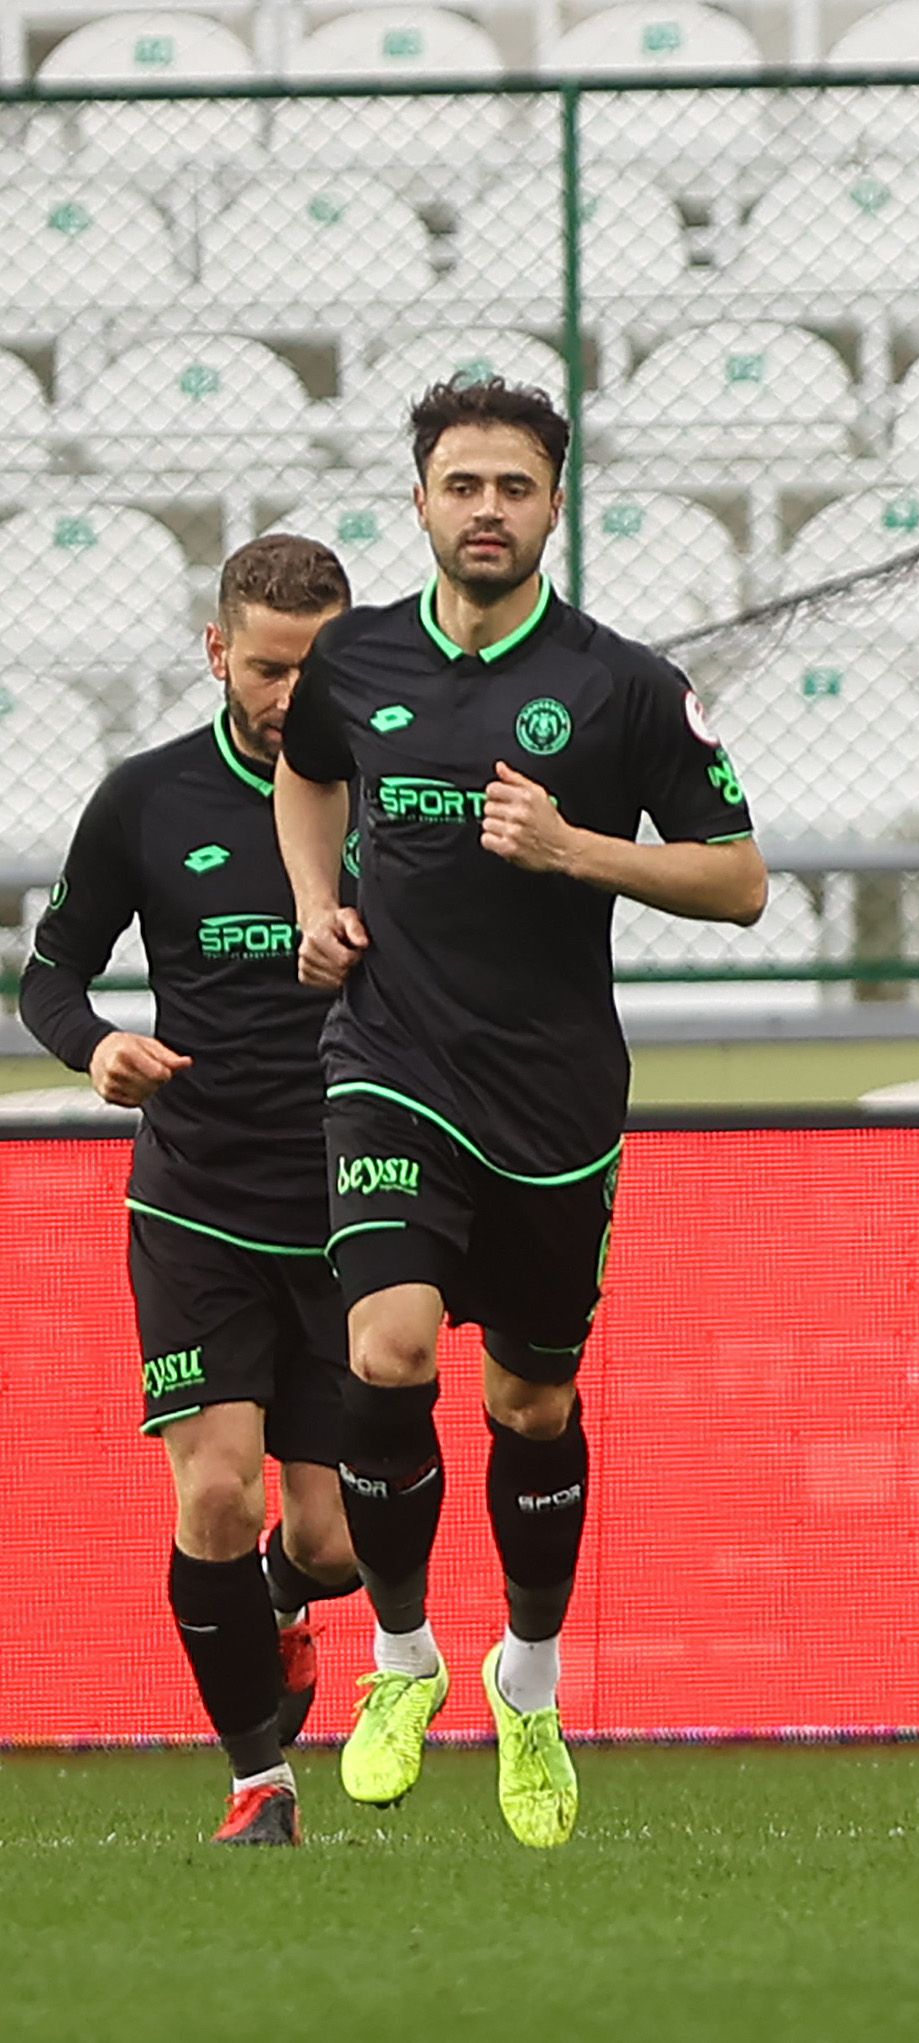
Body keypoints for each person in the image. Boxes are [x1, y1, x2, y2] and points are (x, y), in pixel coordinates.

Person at [276, 379, 769, 1849]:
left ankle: (528, 1680)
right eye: (460, 483)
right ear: (420, 501)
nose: (486, 507)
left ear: (556, 504)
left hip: (555, 1091)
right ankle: (405, 1657)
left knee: (530, 1401)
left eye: (514, 485)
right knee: (392, 1342)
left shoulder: (621, 685)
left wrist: (577, 848)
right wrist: (316, 904)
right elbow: (307, 781)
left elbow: (737, 877)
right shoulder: (355, 658)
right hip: (388, 1059)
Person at [23, 535, 369, 1846]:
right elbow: (52, 970)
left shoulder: (390, 794)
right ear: (219, 651)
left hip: (351, 1207)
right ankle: (258, 1780)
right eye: (271, 666)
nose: (292, 694)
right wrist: (96, 1043)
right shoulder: (148, 798)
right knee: (215, 1491)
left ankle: (282, 1600)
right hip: (197, 1201)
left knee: (337, 1541)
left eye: (318, 666)